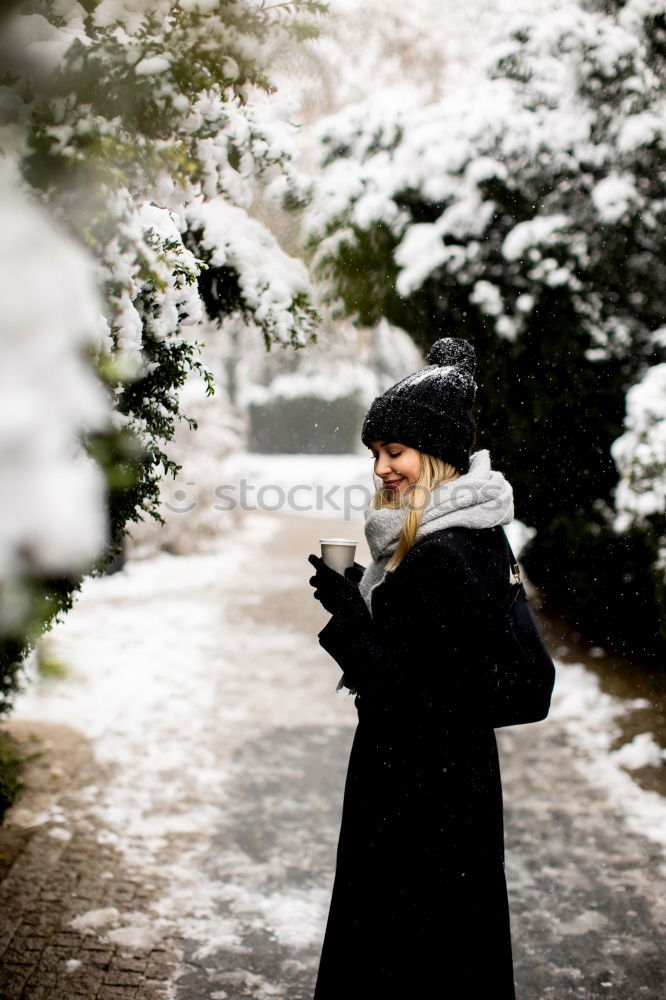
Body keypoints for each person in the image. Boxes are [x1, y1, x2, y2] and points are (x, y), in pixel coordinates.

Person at [308, 337, 519, 999]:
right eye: (376, 454)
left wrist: (348, 618)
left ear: (435, 456)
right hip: (452, 783)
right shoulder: (476, 533)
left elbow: (405, 691)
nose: (383, 468)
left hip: (417, 794)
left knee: (404, 959)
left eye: (394, 451)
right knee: (451, 954)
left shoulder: (440, 552)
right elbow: (440, 667)